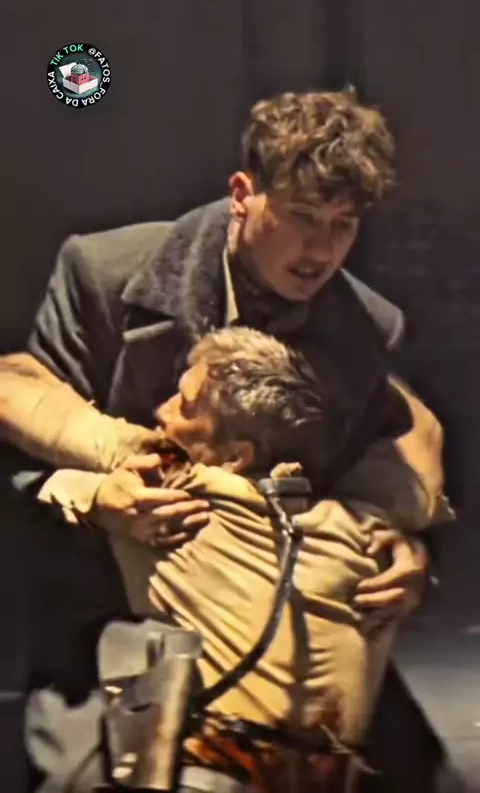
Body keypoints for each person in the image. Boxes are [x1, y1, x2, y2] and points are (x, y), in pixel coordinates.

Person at [0, 90, 451, 790]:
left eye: (343, 225)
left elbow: (376, 468)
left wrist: (400, 545)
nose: (321, 249)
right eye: (301, 217)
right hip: (112, 608)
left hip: (274, 615)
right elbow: (20, 439)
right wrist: (98, 497)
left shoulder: (364, 328)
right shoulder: (104, 273)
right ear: (243, 194)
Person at [26, 326, 442, 793]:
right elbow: (423, 439)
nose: (161, 411)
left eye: (184, 405)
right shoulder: (366, 530)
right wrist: (353, 352)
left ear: (235, 457)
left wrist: (92, 494)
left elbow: (23, 403)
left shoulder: (178, 492)